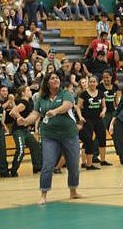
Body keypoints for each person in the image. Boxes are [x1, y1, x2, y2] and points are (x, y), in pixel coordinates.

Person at [17, 72, 82, 204]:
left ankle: (73, 191)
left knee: (74, 164)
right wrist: (25, 121)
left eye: (57, 77)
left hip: (69, 134)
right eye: (52, 78)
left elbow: (67, 106)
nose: (56, 79)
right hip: (49, 136)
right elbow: (35, 113)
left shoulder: (66, 93)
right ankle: (43, 194)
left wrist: (55, 111)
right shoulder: (41, 98)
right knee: (47, 165)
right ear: (47, 82)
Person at [76, 75, 109, 169]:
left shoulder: (101, 93)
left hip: (98, 119)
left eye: (94, 82)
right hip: (87, 119)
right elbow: (78, 106)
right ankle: (84, 162)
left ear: (97, 83)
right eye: (90, 81)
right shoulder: (83, 94)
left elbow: (104, 106)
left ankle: (103, 160)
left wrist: (103, 112)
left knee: (102, 138)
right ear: (88, 83)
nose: (92, 83)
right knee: (87, 140)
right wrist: (80, 116)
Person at [9, 85, 42, 176]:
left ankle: (37, 167)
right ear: (23, 93)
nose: (30, 91)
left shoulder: (29, 102)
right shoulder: (23, 102)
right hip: (18, 130)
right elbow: (12, 112)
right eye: (28, 90)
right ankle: (13, 170)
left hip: (25, 130)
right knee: (21, 150)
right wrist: (20, 119)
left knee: (35, 146)